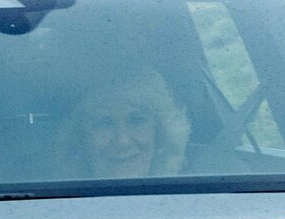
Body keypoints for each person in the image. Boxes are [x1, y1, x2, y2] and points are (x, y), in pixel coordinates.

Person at [55, 68, 190, 179]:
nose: (122, 142)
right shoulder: (55, 199)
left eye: (137, 121)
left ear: (162, 132)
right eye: (104, 123)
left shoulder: (191, 196)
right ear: (79, 138)